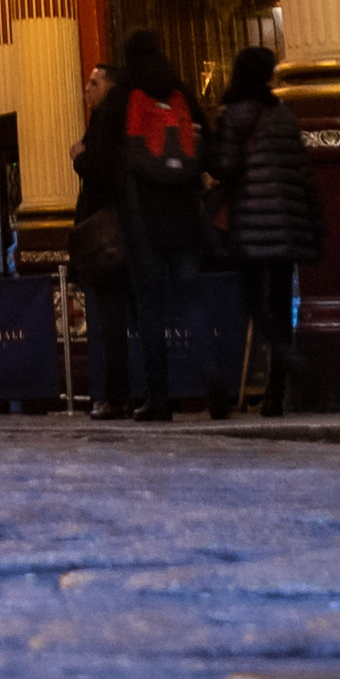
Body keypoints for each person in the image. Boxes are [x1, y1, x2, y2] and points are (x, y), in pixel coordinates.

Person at [89, 30, 203, 417]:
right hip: (186, 217)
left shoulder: (122, 99)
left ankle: (158, 397)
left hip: (142, 221)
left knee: (150, 310)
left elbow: (101, 162)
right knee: (192, 303)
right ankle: (216, 387)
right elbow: (205, 142)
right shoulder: (179, 93)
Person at [217, 44, 315, 417]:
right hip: (287, 224)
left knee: (253, 302)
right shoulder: (284, 115)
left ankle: (281, 351)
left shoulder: (234, 115)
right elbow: (302, 171)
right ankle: (276, 391)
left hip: (251, 223)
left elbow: (226, 166)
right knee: (279, 301)